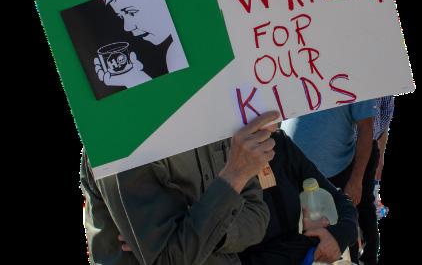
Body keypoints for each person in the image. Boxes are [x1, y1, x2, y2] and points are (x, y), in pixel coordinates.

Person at [80, 112, 278, 265]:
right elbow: (169, 259)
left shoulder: (216, 118)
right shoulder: (116, 139)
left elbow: (257, 217)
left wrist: (209, 227)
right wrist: (232, 178)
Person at [238, 129, 358, 265]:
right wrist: (308, 245)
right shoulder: (222, 163)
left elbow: (339, 198)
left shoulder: (279, 142)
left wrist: (340, 235)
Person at [282, 100, 378, 263]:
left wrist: (356, 180)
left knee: (341, 242)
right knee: (294, 238)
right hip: (290, 174)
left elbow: (366, 128)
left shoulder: (356, 83)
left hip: (335, 176)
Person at [94, 0, 188, 88]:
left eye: (131, 12)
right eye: (121, 17)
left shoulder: (176, 50)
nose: (127, 28)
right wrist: (133, 78)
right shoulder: (175, 49)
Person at [358, 95, 395, 265]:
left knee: (362, 206)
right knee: (365, 206)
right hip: (368, 143)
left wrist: (380, 156)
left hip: (360, 143)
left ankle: (366, 258)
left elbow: (384, 116)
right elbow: (385, 115)